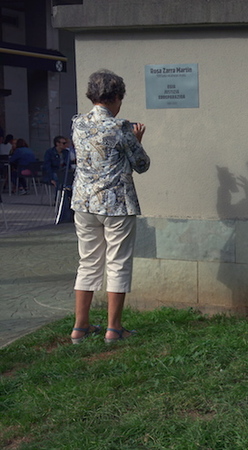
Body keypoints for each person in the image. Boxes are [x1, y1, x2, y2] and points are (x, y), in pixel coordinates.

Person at [69, 69, 150, 345]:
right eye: (120, 99)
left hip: (84, 202)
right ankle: (114, 330)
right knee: (117, 264)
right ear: (115, 97)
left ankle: (80, 327)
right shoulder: (121, 127)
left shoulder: (77, 124)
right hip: (116, 204)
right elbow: (142, 165)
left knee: (88, 263)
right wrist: (137, 141)